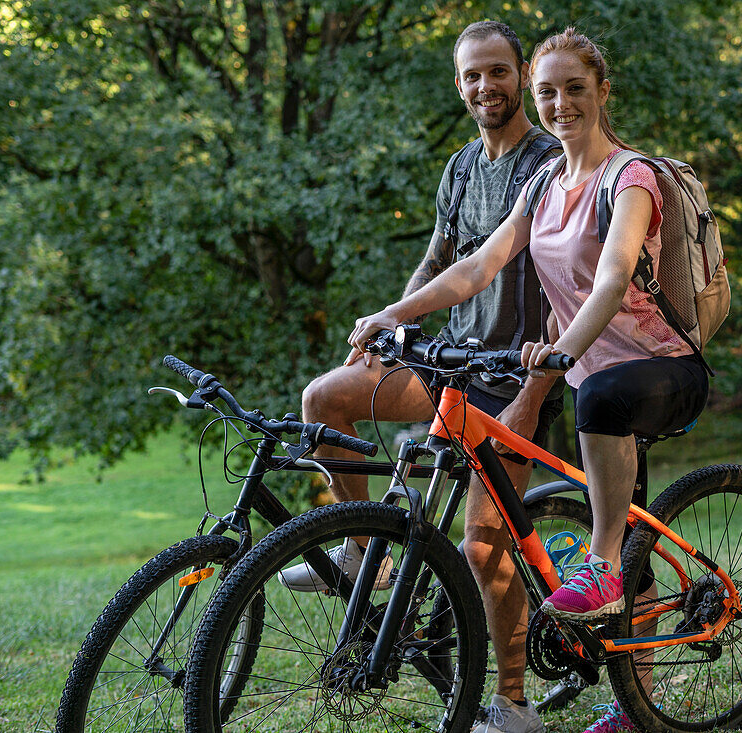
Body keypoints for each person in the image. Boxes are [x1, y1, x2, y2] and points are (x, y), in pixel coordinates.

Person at [349, 28, 710, 733]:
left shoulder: (629, 177)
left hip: (662, 370)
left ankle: (600, 566)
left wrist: (562, 351)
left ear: (602, 91)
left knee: (603, 408)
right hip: (595, 380)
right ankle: (633, 696)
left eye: (575, 88)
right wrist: (393, 311)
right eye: (548, 91)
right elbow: (476, 266)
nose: (559, 102)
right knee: (617, 482)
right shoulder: (545, 180)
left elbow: (611, 277)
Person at [281, 20, 564, 733]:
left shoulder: (549, 164)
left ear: (520, 73)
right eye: (472, 75)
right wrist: (392, 332)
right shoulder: (462, 167)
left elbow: (570, 290)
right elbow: (438, 262)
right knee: (325, 398)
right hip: (450, 362)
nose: (484, 87)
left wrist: (536, 393)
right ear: (459, 83)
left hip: (513, 377)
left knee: (480, 547)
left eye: (497, 72)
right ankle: (360, 556)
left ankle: (512, 701)